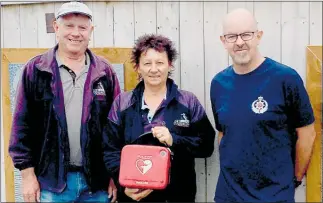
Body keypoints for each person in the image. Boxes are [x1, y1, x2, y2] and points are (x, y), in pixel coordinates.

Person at [9, 1, 120, 202]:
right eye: (69, 26)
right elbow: (21, 126)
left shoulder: (105, 72)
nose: (76, 33)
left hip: (97, 184)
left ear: (91, 31)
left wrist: (115, 174)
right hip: (51, 184)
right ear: (56, 27)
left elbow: (116, 130)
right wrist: (27, 175)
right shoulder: (35, 70)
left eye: (82, 27)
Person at [210, 8, 316, 203]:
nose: (240, 42)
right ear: (223, 41)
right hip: (228, 196)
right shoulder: (218, 84)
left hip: (274, 196)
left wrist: (295, 179)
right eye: (232, 36)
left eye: (246, 34)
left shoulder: (285, 78)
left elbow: (307, 134)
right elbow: (223, 133)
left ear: (259, 36)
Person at [102, 34, 215, 202]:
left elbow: (206, 146)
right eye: (147, 63)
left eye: (160, 63)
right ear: (138, 67)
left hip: (177, 196)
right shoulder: (122, 103)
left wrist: (174, 140)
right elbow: (109, 150)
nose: (153, 69)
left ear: (169, 65)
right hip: (133, 197)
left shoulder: (188, 101)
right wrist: (125, 183)